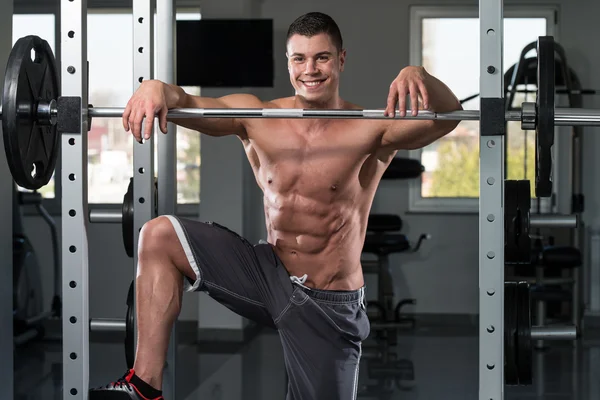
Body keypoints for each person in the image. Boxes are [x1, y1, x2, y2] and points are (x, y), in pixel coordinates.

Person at [89, 11, 462, 400]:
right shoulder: (257, 117)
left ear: (341, 60)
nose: (310, 69)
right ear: (288, 63)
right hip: (267, 274)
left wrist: (419, 73)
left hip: (327, 300)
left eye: (322, 57)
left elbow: (448, 116)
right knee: (159, 234)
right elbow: (186, 101)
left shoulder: (371, 128)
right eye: (299, 58)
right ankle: (144, 386)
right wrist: (157, 87)